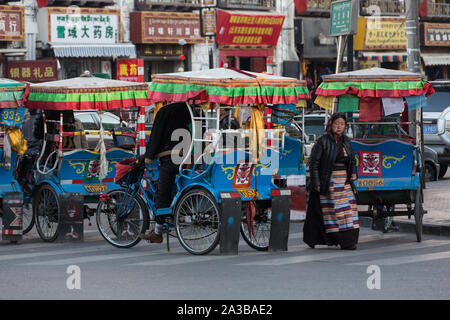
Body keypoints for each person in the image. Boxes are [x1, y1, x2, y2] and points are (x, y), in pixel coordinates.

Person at [303, 112, 359, 250]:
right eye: (336, 124)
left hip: (344, 182)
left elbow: (352, 160)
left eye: (341, 124)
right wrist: (316, 183)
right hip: (328, 181)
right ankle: (340, 241)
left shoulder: (346, 141)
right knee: (335, 212)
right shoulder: (323, 141)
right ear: (330, 125)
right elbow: (314, 163)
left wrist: (353, 173)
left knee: (350, 210)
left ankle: (349, 240)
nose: (339, 127)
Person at [140, 102, 191, 243]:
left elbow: (156, 136)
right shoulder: (188, 109)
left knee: (163, 191)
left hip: (170, 157)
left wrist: (148, 157)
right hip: (188, 156)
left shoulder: (164, 111)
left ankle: (157, 231)